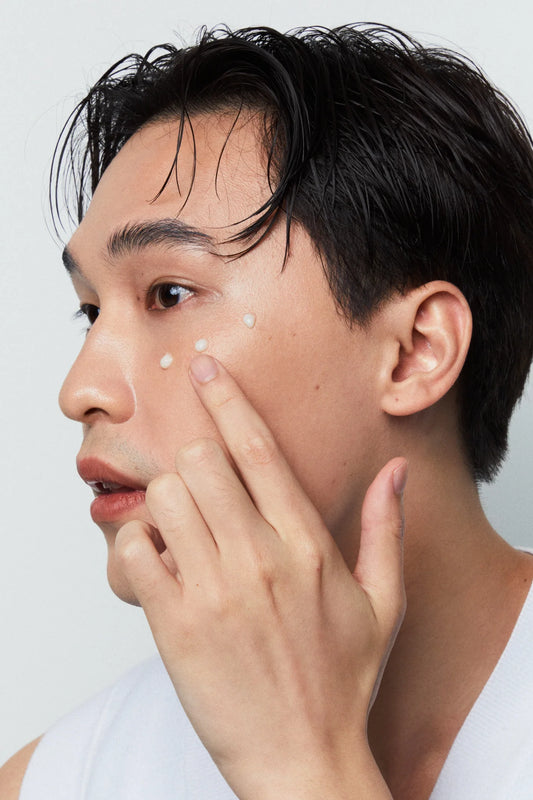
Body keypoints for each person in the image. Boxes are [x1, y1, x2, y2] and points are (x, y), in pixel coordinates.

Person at [2, 22, 533, 800]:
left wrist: (302, 770)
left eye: (168, 294)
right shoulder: (58, 781)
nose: (81, 389)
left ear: (416, 349)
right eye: (90, 312)